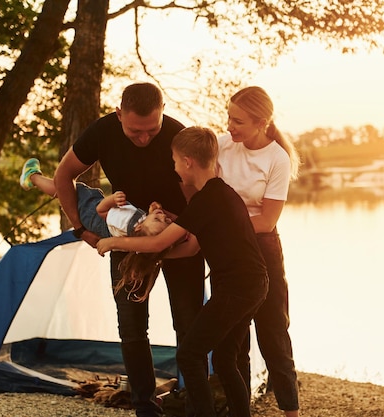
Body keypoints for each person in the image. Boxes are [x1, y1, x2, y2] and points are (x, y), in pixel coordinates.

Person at [53, 83, 206, 417]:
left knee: (189, 324)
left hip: (177, 234)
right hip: (129, 234)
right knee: (133, 327)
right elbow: (63, 175)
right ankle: (145, 407)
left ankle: (196, 406)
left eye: (152, 130)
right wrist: (80, 228)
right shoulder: (102, 132)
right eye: (135, 131)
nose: (144, 138)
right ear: (119, 114)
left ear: (163, 110)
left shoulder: (178, 135)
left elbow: (200, 191)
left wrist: (192, 233)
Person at [97, 126, 269, 417]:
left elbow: (158, 242)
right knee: (226, 360)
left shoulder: (207, 200)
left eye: (175, 160)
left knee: (189, 355)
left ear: (188, 161)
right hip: (253, 285)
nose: (173, 166)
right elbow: (189, 248)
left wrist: (113, 242)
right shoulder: (219, 194)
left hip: (237, 290)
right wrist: (155, 254)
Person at [217, 86, 301, 417]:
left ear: (261, 122)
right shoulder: (223, 146)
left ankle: (291, 411)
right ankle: (241, 410)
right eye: (228, 117)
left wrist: (219, 226)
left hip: (263, 252)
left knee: (273, 334)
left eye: (237, 121)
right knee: (234, 338)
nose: (229, 126)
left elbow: (266, 220)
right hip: (227, 253)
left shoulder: (277, 158)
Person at [19, 158, 175, 301]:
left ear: (140, 227)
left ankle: (32, 177)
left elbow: (101, 210)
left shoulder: (125, 222)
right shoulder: (139, 233)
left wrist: (111, 200)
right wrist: (155, 211)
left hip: (91, 212)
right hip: (98, 220)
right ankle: (34, 178)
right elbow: (152, 223)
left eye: (157, 219)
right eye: (165, 220)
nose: (163, 216)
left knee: (64, 189)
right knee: (61, 191)